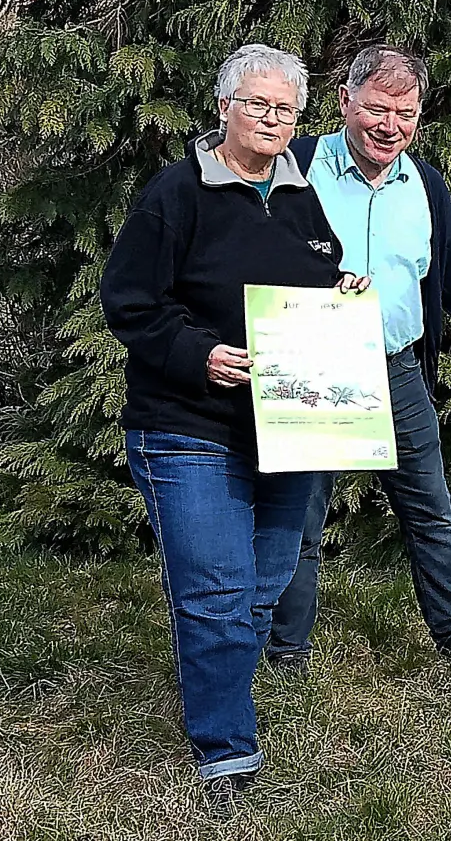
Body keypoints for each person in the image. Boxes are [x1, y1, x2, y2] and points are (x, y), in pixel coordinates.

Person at [101, 44, 365, 806]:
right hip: (187, 424)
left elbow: (312, 278)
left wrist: (342, 289)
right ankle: (227, 753)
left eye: (286, 109)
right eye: (258, 105)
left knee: (263, 585)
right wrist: (199, 354)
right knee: (217, 589)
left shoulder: (298, 193)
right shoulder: (175, 193)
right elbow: (131, 302)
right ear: (224, 108)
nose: (273, 120)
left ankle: (218, 681)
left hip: (289, 426)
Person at [266, 45, 451, 668]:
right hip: (311, 365)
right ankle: (284, 652)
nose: (390, 126)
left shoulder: (425, 185)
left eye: (405, 114)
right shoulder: (294, 166)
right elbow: (249, 253)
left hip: (397, 370)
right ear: (344, 102)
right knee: (298, 518)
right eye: (377, 109)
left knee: (431, 509)